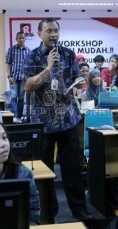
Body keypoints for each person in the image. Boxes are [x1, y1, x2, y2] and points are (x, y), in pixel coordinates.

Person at [23, 17, 92, 221]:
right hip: (42, 121)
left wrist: (78, 83)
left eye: (56, 30)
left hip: (67, 118)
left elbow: (76, 79)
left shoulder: (69, 54)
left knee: (72, 168)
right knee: (45, 170)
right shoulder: (33, 56)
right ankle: (48, 212)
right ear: (39, 34)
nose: (53, 34)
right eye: (49, 31)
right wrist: (48, 68)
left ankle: (79, 210)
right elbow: (28, 85)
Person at [6, 32, 30, 123]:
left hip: (24, 78)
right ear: (16, 39)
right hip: (14, 77)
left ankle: (19, 117)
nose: (21, 39)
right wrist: (9, 76)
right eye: (20, 38)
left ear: (25, 39)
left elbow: (29, 66)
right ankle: (15, 116)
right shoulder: (11, 50)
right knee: (13, 97)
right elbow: (8, 64)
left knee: (21, 98)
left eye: (23, 38)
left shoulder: (28, 51)